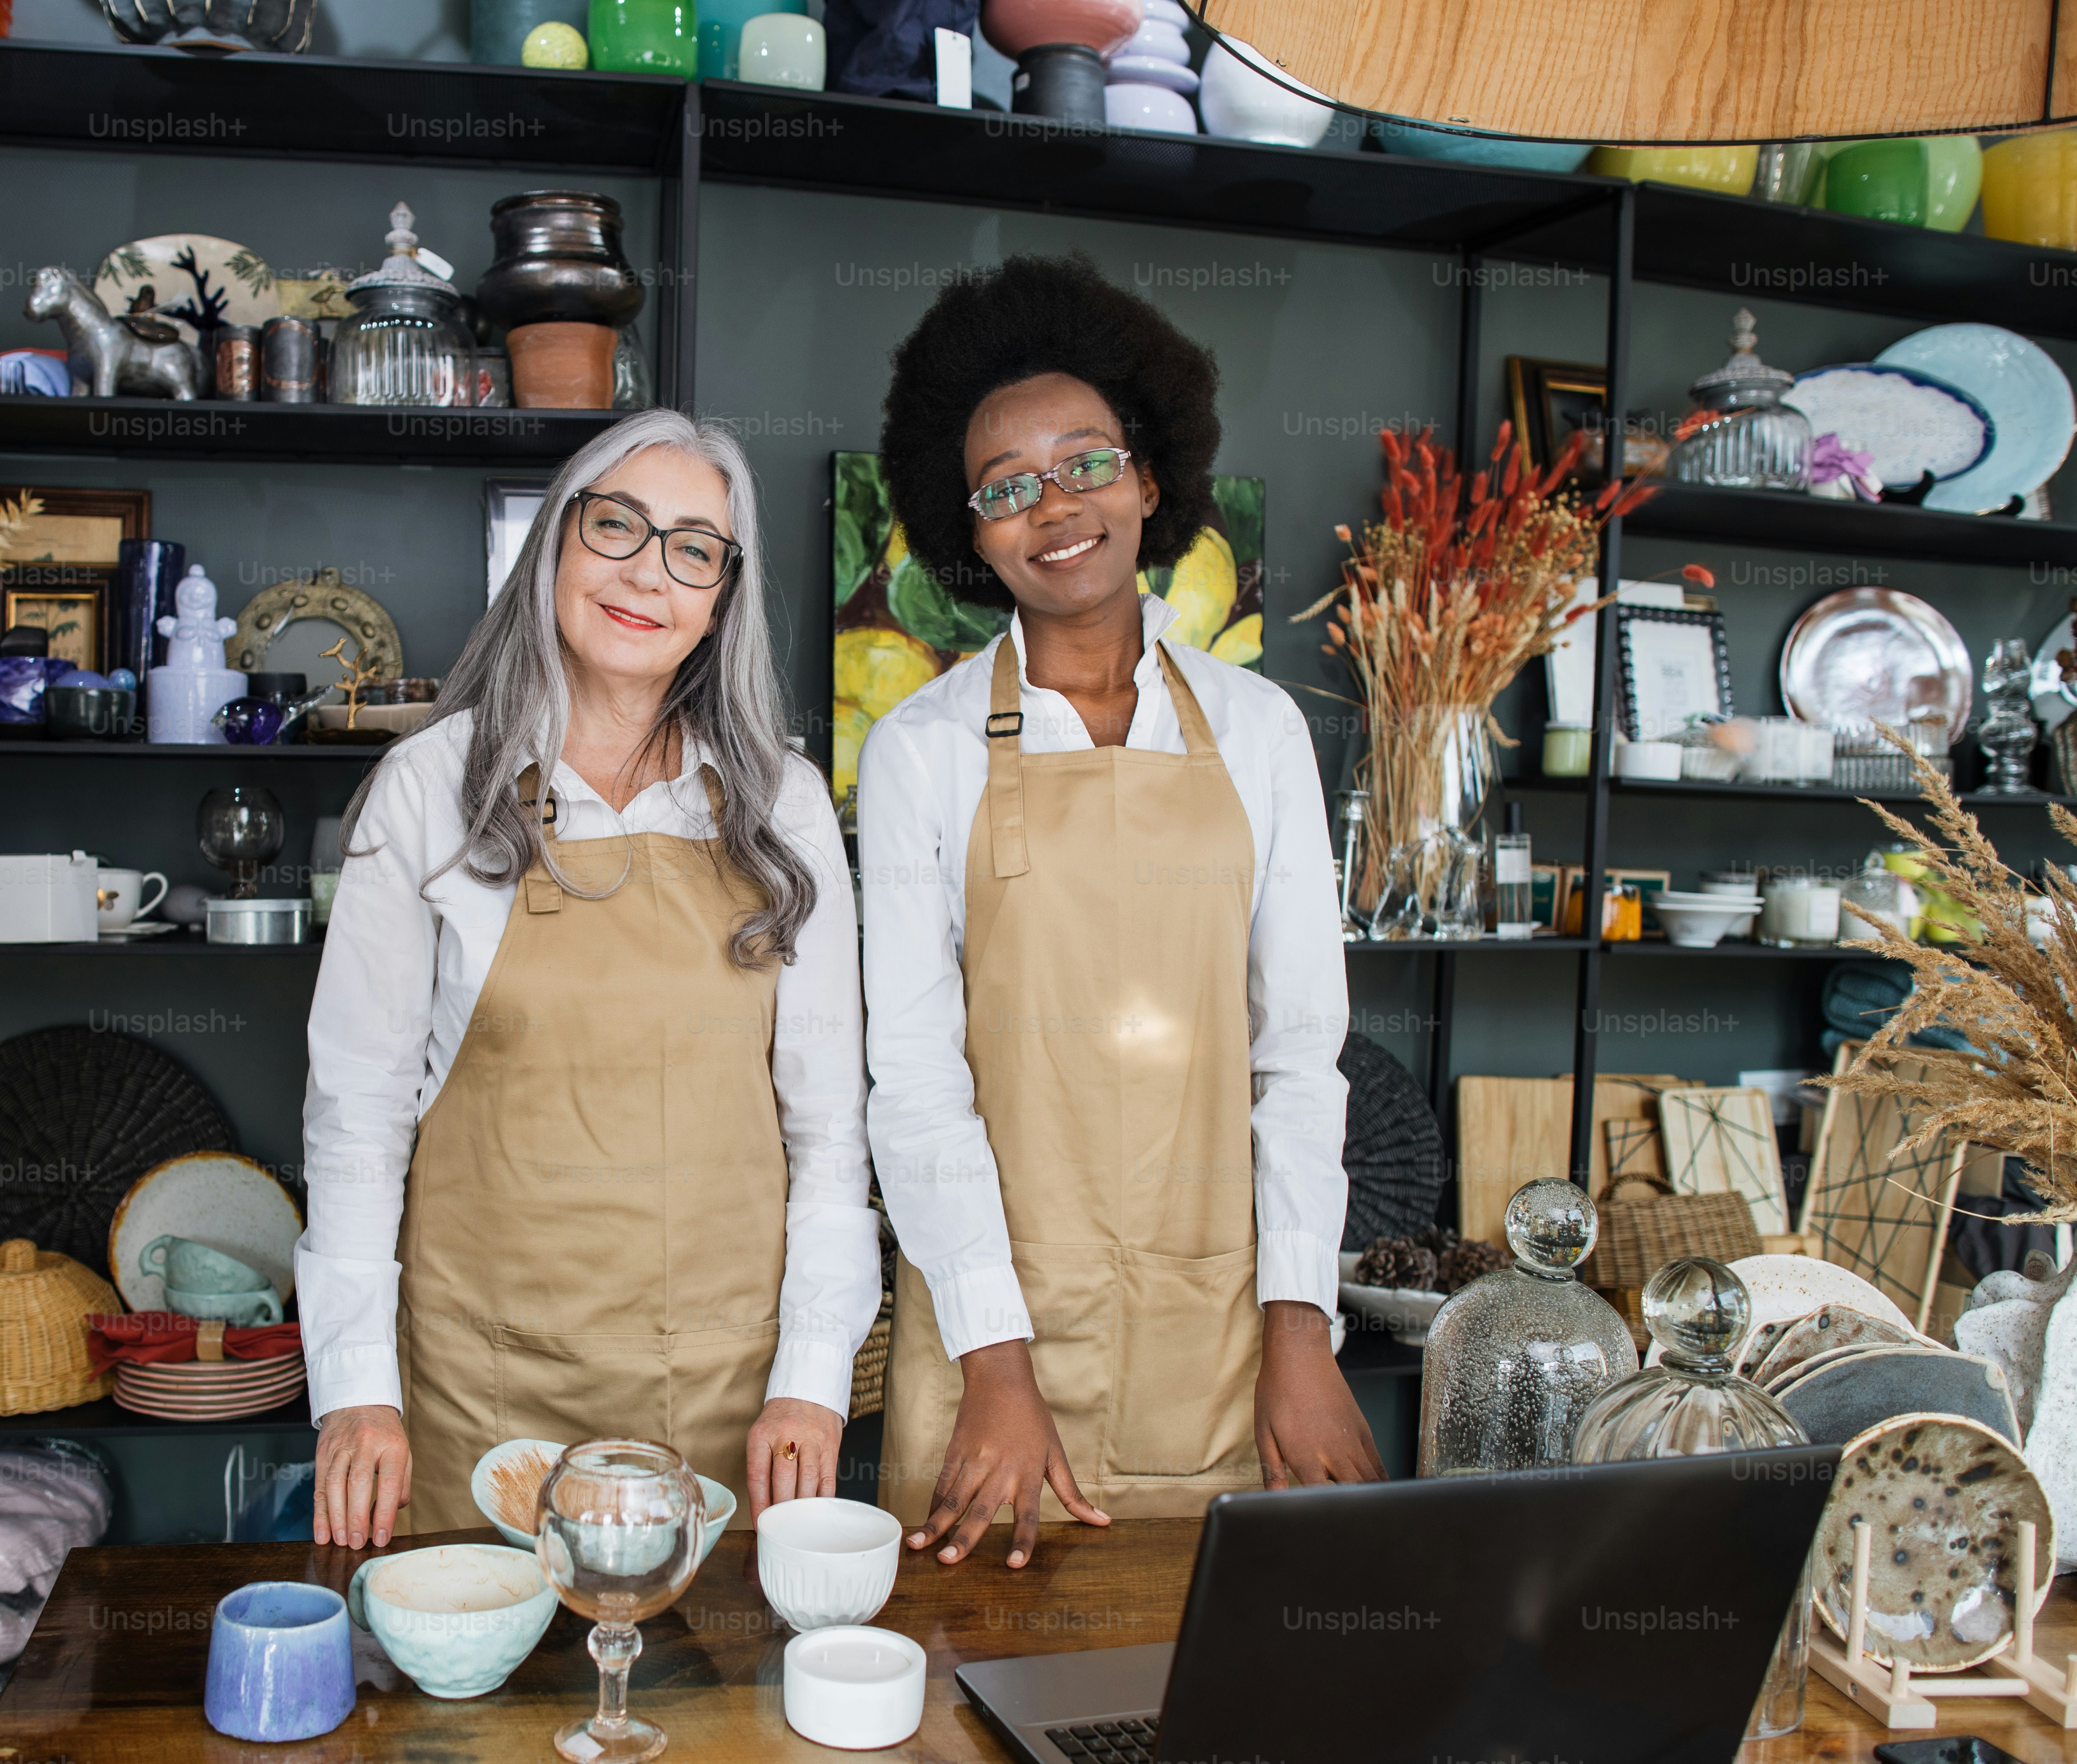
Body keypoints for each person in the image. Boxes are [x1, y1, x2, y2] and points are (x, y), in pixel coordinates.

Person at [860, 252, 1382, 1569]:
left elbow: (1298, 1058)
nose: (1056, 506)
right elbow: (916, 1085)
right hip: (993, 1336)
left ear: (1152, 480)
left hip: (1219, 1343)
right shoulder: (921, 750)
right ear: (968, 534)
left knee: (1207, 1713)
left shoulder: (1262, 734)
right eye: (1007, 489)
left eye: (1086, 463)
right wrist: (995, 1365)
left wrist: (1301, 1333)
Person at [299, 410, 877, 1549]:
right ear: (558, 543)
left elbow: (828, 1137)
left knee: (702, 1719)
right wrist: (356, 1388)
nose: (645, 574)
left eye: (692, 549)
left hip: (723, 1396)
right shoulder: (428, 788)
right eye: (617, 526)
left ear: (721, 596)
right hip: (477, 1389)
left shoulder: (784, 805)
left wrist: (811, 1376)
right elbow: (355, 1120)